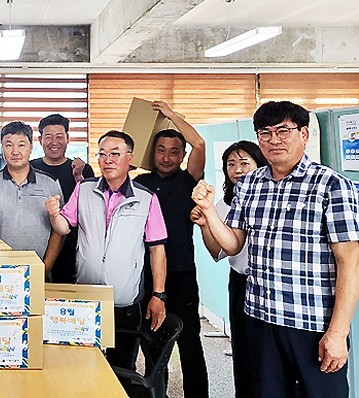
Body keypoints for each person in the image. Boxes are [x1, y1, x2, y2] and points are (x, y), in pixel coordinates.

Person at [192, 101, 359, 398]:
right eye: (265, 133)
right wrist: (208, 210)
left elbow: (350, 261)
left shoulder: (332, 186)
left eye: (283, 131)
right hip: (260, 319)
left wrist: (338, 331)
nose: (274, 140)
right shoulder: (250, 184)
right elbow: (233, 244)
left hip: (311, 323)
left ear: (304, 134)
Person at [46, 130, 167, 377]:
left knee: (121, 370)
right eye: (102, 154)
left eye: (115, 154)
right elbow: (64, 227)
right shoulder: (84, 189)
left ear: (130, 158)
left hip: (123, 301)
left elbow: (157, 249)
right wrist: (54, 214)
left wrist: (158, 294)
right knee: (82, 369)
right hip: (86, 299)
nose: (107, 160)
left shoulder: (146, 198)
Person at [133, 100, 209, 398]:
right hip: (146, 275)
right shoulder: (140, 183)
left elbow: (199, 143)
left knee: (190, 344)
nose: (166, 157)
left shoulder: (189, 180)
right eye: (161, 150)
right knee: (152, 345)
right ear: (152, 153)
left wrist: (171, 115)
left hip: (180, 274)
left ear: (182, 156)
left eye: (174, 151)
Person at [191, 141, 267, 398]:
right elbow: (219, 252)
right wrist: (205, 225)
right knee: (244, 351)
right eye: (231, 164)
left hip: (271, 284)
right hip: (241, 283)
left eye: (244, 163)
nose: (237, 170)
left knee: (269, 356)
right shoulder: (224, 203)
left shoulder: (271, 197)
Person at [0, 121, 64, 271]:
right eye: (9, 145)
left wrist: (45, 267)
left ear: (31, 147)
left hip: (36, 270)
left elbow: (59, 231)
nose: (15, 151)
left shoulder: (50, 184)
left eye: (21, 145)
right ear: (2, 148)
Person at [31, 114, 94, 283]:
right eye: (48, 137)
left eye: (59, 136)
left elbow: (91, 208)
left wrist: (79, 178)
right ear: (40, 140)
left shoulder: (82, 169)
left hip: (72, 248)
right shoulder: (30, 168)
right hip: (38, 244)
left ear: (67, 138)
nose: (54, 142)